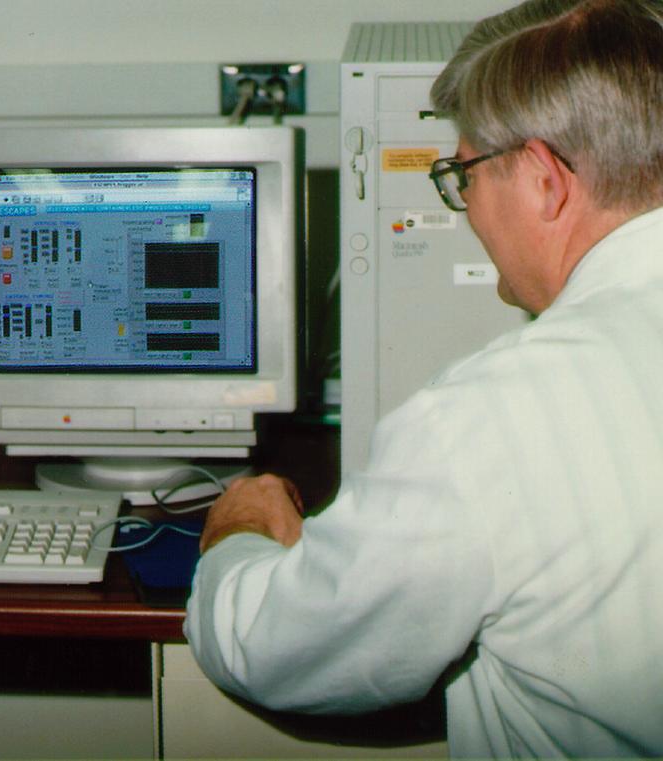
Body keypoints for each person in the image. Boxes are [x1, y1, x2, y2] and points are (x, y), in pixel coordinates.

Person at [185, 0, 663, 756]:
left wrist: (239, 531)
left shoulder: (492, 419)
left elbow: (274, 647)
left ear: (544, 181)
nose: (465, 204)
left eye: (463, 174)